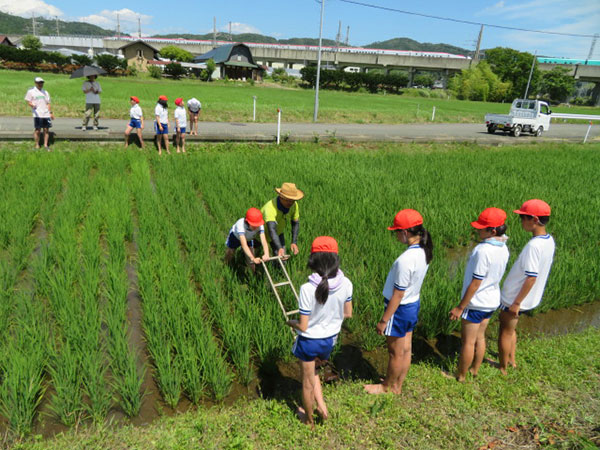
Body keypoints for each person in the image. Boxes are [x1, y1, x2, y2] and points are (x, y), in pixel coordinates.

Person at [364, 209, 433, 395]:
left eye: (396, 231)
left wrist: (384, 320)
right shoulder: (423, 251)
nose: (395, 235)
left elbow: (398, 295)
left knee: (395, 352)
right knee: (406, 349)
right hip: (412, 305)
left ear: (404, 232)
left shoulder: (406, 260)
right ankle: (397, 385)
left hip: (399, 309)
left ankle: (386, 387)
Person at [287, 236, 353, 427]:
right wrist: (330, 317)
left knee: (307, 382)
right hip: (329, 341)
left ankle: (308, 421)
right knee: (315, 371)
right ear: (335, 258)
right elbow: (348, 314)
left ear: (313, 259)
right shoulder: (346, 283)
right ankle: (322, 407)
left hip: (308, 342)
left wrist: (291, 323)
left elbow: (304, 326)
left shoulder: (307, 288)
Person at [447, 208, 509, 382]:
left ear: (493, 231)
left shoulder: (482, 251)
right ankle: (475, 369)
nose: (478, 230)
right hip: (491, 301)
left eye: (482, 228)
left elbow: (475, 283)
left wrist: (460, 307)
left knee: (468, 342)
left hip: (476, 303)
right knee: (480, 337)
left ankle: (461, 375)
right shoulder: (503, 247)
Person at [498, 199, 555, 375]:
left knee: (505, 331)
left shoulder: (534, 246)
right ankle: (511, 360)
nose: (521, 221)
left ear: (535, 220)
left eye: (524, 218)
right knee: (511, 329)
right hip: (528, 297)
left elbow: (531, 277)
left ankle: (503, 367)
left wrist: (516, 303)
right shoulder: (548, 240)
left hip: (515, 297)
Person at [261, 183, 303, 259]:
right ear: (281, 196)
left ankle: (277, 269)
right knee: (253, 257)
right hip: (260, 234)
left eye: (293, 200)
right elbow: (271, 229)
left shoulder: (294, 205)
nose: (290, 203)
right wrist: (279, 247)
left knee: (282, 259)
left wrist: (294, 242)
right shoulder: (270, 208)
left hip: (278, 232)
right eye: (288, 200)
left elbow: (295, 223)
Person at [24, 77, 54, 151]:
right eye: (39, 82)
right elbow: (28, 101)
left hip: (46, 113)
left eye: (41, 82)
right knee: (38, 130)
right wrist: (32, 105)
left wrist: (50, 113)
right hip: (37, 113)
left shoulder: (45, 92)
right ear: (35, 83)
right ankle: (37, 145)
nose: (40, 84)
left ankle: (46, 145)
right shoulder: (31, 91)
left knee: (46, 129)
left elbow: (48, 103)